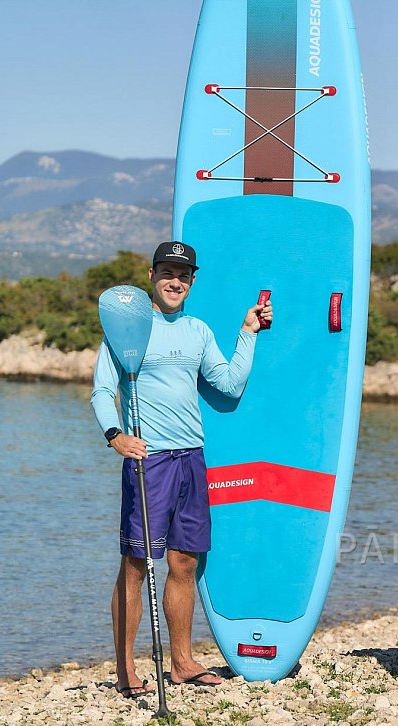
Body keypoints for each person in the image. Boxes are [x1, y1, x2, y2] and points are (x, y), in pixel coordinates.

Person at [91, 241, 272, 697]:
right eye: (168, 272)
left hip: (191, 456)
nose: (175, 281)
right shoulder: (127, 328)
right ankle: (124, 668)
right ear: (151, 275)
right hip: (148, 460)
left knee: (185, 561)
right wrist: (115, 434)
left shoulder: (197, 330)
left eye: (184, 274)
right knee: (136, 563)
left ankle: (182, 661)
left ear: (193, 281)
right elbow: (101, 391)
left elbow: (229, 385)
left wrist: (248, 332)